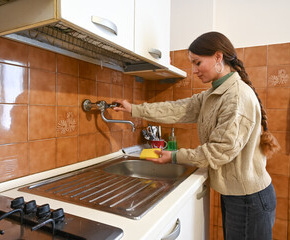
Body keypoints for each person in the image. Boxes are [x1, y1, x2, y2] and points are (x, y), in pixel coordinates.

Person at [113, 31, 280, 240]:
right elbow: (177, 109)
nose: (194, 70)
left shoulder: (236, 97)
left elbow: (219, 151)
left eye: (197, 63)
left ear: (218, 57)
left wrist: (173, 156)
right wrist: (134, 109)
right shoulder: (214, 94)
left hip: (249, 199)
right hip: (239, 196)